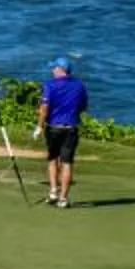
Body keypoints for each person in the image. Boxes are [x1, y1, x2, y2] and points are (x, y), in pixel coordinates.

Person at [38, 56, 89, 207]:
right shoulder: (79, 86)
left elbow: (44, 108)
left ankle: (54, 191)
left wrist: (39, 126)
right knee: (67, 162)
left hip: (53, 127)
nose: (52, 70)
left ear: (60, 70)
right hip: (71, 128)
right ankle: (63, 198)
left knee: (53, 159)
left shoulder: (49, 85)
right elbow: (84, 106)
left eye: (54, 68)